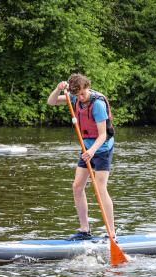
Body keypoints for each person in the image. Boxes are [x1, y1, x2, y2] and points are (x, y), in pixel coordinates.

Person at [47, 73, 116, 241]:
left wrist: (92, 151)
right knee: (77, 187)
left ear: (87, 87)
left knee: (100, 188)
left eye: (82, 94)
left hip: (102, 148)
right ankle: (85, 231)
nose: (80, 98)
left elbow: (102, 134)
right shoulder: (76, 97)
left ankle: (111, 234)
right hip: (86, 148)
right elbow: (51, 102)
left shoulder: (98, 105)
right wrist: (58, 89)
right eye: (76, 95)